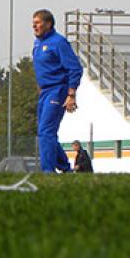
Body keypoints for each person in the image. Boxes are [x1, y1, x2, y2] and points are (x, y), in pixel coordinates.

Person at [31, 9, 83, 173]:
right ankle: (65, 168)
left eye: (38, 22)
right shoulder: (38, 44)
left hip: (57, 90)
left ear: (48, 24)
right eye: (33, 22)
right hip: (45, 92)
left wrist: (71, 95)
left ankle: (48, 172)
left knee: (46, 131)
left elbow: (75, 68)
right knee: (44, 132)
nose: (34, 26)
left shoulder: (58, 42)